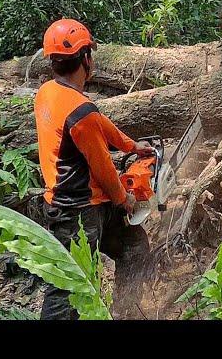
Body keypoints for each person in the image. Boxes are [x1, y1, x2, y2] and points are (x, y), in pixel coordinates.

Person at [35, 18, 154, 320]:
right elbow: (103, 167)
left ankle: (126, 312)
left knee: (135, 247)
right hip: (76, 211)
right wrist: (124, 199)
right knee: (66, 292)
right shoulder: (80, 111)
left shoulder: (48, 93)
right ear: (86, 58)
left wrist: (131, 146)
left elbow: (100, 125)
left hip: (84, 204)